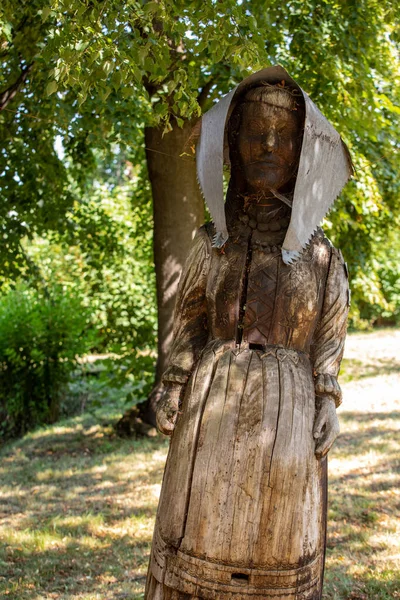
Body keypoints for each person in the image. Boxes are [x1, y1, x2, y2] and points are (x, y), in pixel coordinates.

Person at [145, 66, 353, 600]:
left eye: (283, 136)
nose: (268, 144)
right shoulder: (213, 244)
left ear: (303, 151)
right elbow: (191, 318)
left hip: (288, 416)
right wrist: (172, 383)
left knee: (276, 536)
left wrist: (326, 398)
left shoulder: (322, 256)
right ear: (231, 143)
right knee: (201, 530)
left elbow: (329, 332)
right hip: (211, 411)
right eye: (254, 131)